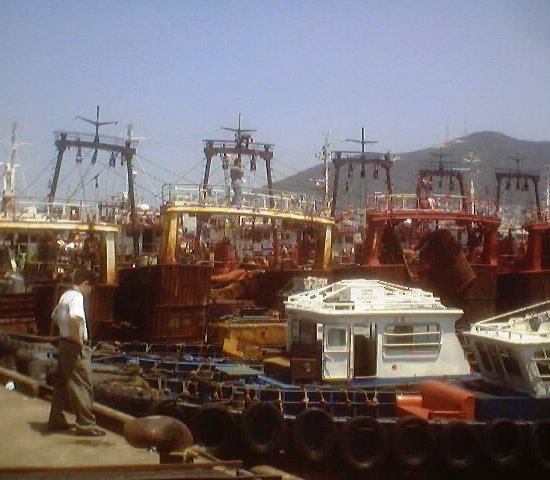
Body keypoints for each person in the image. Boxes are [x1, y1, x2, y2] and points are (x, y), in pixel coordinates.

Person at [48, 269, 106, 436]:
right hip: (74, 345)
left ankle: (56, 419)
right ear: (86, 284)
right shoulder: (77, 297)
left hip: (63, 343)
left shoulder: (65, 296)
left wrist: (65, 331)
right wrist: (76, 338)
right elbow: (75, 316)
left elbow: (54, 316)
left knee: (61, 384)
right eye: (91, 287)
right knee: (82, 384)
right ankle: (86, 425)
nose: (90, 291)